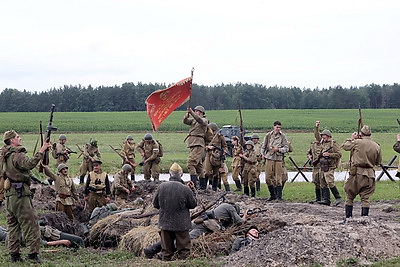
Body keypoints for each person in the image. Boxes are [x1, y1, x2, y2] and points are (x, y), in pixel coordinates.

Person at [1, 130, 51, 263]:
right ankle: (33, 255)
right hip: (20, 195)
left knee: (13, 227)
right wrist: (41, 150)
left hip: (9, 195)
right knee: (31, 224)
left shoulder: (4, 155)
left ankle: (14, 255)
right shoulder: (16, 154)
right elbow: (29, 163)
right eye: (18, 137)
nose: (20, 138)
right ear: (12, 140)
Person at [152, 163, 197, 261]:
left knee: (166, 252)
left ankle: (166, 262)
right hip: (181, 224)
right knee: (184, 252)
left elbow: (155, 205)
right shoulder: (186, 189)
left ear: (170, 174)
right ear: (181, 175)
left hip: (165, 223)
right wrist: (192, 190)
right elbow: (193, 205)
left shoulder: (161, 187)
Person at [341, 125, 381, 219]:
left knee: (349, 196)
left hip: (356, 173)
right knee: (365, 198)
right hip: (370, 175)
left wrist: (352, 138)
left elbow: (345, 146)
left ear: (361, 133)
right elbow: (378, 162)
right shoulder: (376, 146)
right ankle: (364, 220)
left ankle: (348, 218)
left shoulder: (356, 142)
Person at [313, 121, 342, 206]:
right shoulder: (323, 142)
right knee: (322, 182)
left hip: (330, 165)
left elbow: (339, 154)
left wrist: (329, 154)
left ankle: (338, 198)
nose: (322, 137)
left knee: (330, 181)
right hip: (323, 165)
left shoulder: (334, 144)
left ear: (328, 136)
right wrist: (316, 127)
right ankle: (326, 200)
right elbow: (316, 135)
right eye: (322, 136)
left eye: (324, 136)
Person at [262, 121, 289, 201]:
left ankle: (279, 197)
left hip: (278, 158)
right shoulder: (268, 135)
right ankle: (272, 194)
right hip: (269, 157)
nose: (278, 129)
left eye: (279, 127)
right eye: (277, 127)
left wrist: (278, 149)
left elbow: (286, 148)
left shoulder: (283, 136)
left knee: (278, 178)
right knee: (267, 178)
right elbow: (263, 147)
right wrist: (263, 154)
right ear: (273, 127)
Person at [183, 105, 208, 188]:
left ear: (200, 112)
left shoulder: (204, 120)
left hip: (198, 143)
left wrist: (192, 112)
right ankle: (202, 185)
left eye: (196, 111)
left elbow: (199, 120)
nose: (195, 112)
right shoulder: (194, 120)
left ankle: (193, 184)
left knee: (191, 164)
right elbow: (185, 122)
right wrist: (186, 116)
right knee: (198, 166)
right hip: (193, 143)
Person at [0, 225, 85, 248]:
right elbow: (43, 244)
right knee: (79, 240)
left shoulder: (14, 229)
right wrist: (62, 242)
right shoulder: (23, 236)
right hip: (52, 235)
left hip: (49, 231)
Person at [203, 122, 228, 191]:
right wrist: (208, 147)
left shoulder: (220, 136)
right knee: (207, 171)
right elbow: (202, 146)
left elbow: (225, 146)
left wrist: (224, 151)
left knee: (216, 172)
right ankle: (204, 187)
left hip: (217, 156)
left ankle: (214, 188)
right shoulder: (206, 136)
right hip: (209, 154)